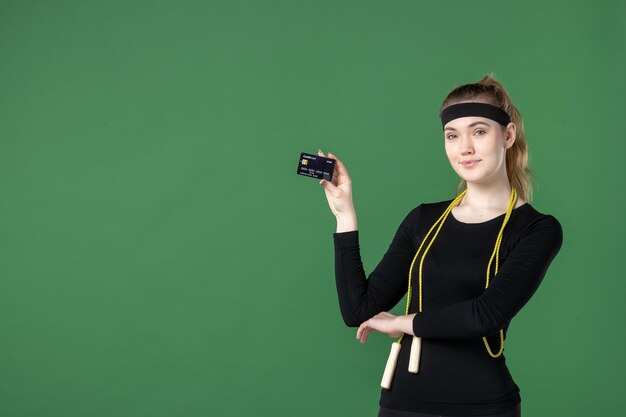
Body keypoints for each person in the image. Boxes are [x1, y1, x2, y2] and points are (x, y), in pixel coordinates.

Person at [319, 74, 563, 417]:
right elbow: (358, 311)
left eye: (479, 131)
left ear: (507, 136)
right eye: (453, 135)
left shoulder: (536, 229)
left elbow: (485, 315)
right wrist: (345, 216)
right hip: (402, 404)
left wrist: (402, 323)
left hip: (482, 405)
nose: (465, 147)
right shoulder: (423, 220)